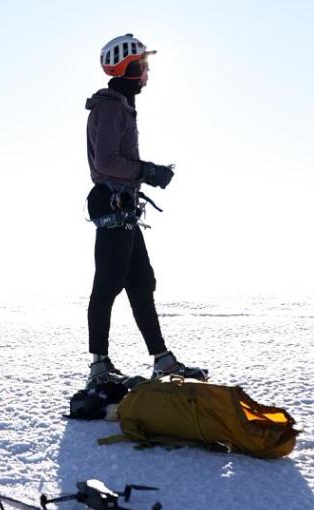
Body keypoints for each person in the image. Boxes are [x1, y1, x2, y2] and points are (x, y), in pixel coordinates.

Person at [84, 34, 208, 385]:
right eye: (144, 65)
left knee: (141, 282)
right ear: (128, 66)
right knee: (107, 285)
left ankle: (162, 360)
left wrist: (145, 174)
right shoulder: (110, 107)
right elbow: (107, 160)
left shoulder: (119, 105)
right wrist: (147, 172)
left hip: (122, 209)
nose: (147, 73)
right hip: (114, 206)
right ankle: (99, 368)